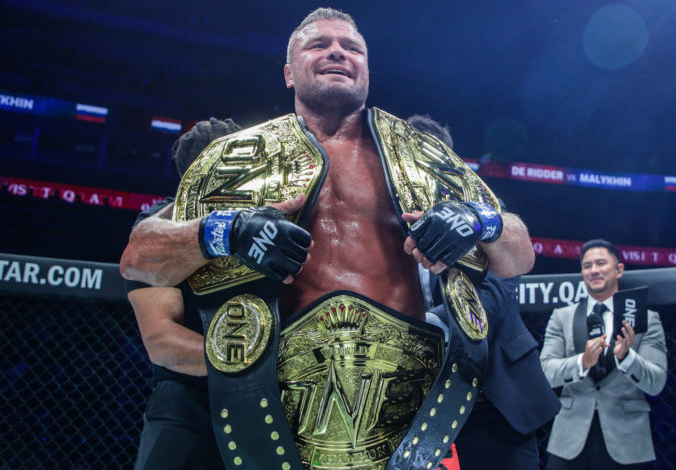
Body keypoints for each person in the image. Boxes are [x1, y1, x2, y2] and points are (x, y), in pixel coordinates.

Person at [120, 8, 535, 470]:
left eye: (351, 47)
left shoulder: (420, 158)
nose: (337, 51)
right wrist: (227, 231)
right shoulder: (239, 158)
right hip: (277, 405)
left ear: (366, 69)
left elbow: (519, 256)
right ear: (288, 73)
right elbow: (140, 258)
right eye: (319, 45)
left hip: (402, 404)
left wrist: (480, 220)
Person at [407, 114, 560, 469]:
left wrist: (423, 327)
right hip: (410, 393)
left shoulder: (481, 208)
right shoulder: (378, 216)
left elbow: (496, 290)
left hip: (491, 393)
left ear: (448, 160)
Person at [127, 118, 241, 470]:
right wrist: (255, 369)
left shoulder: (275, 216)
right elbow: (163, 342)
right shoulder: (159, 231)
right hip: (189, 401)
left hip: (273, 403)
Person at [540, 239, 667, 469]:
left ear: (619, 270)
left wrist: (627, 358)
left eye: (601, 263)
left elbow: (656, 382)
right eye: (587, 266)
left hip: (628, 442)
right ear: (582, 272)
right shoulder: (562, 317)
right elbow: (546, 374)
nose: (594, 270)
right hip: (569, 441)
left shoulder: (646, 319)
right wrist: (582, 362)